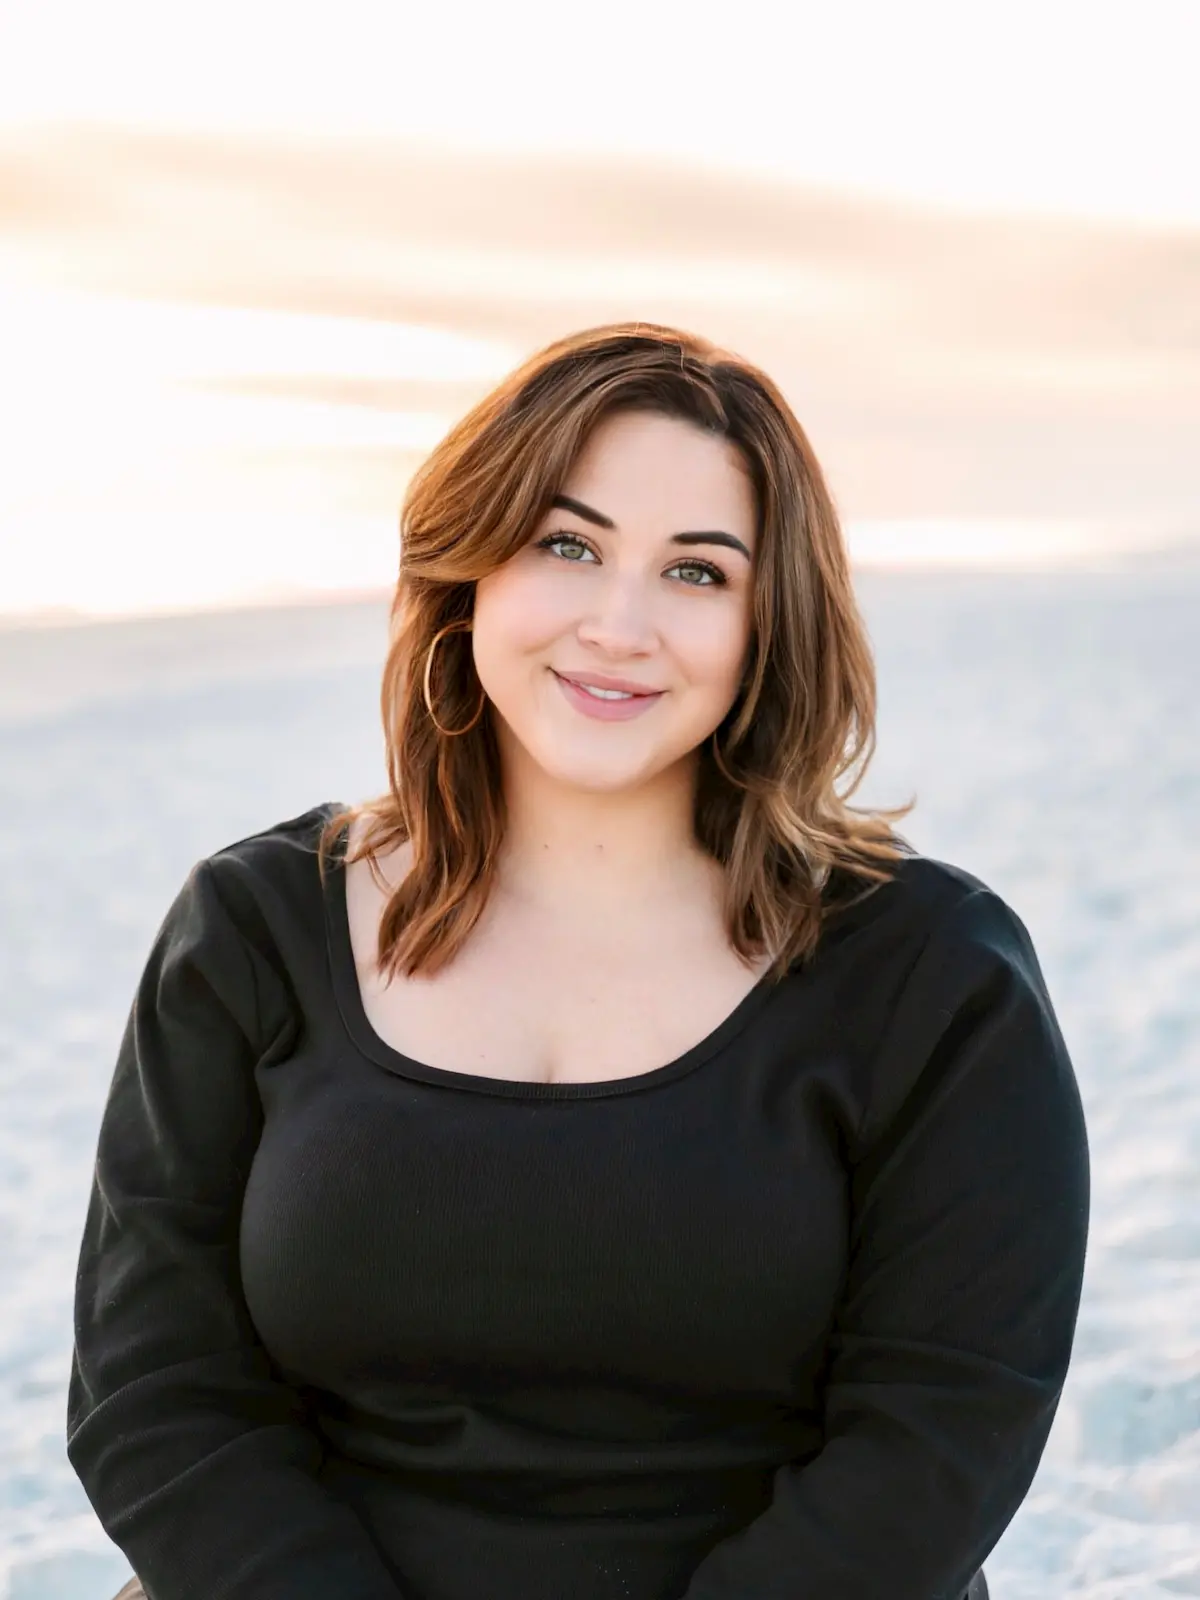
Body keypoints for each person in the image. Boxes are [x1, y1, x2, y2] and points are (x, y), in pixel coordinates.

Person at [68, 322, 1089, 1600]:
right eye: (568, 544)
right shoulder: (258, 925)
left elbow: (946, 1426)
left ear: (772, 623)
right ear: (471, 568)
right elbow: (153, 1387)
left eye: (699, 573)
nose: (621, 624)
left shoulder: (931, 970)